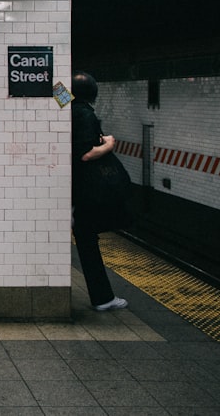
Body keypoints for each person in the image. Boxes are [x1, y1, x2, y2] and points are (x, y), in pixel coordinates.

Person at [71, 71, 128, 312]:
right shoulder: (84, 113)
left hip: (73, 186)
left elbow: (54, 90)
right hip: (84, 187)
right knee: (87, 239)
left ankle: (102, 296)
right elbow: (85, 154)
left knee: (86, 238)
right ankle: (103, 298)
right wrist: (109, 145)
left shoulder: (66, 106)